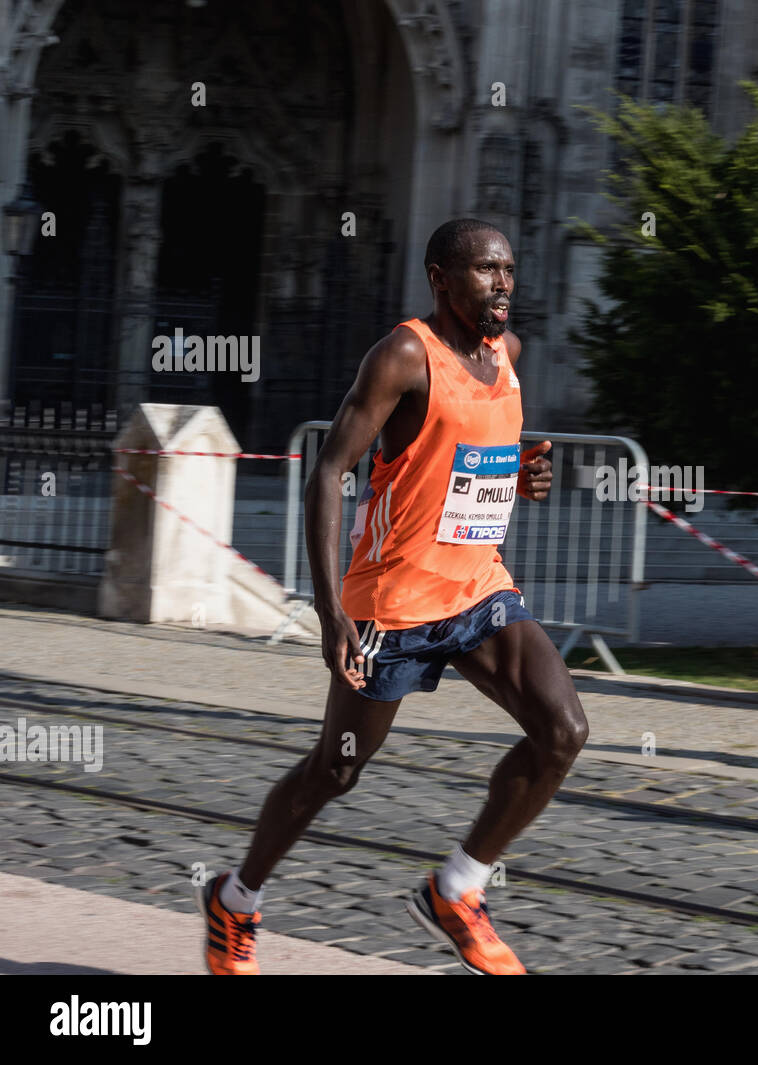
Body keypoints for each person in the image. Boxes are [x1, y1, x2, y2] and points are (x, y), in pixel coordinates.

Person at [196, 219, 590, 975]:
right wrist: (329, 611)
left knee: (562, 728)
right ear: (441, 278)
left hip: (478, 590)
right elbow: (329, 471)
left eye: (509, 268)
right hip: (392, 605)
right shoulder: (405, 354)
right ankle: (236, 899)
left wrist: (520, 476)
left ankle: (459, 888)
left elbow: (469, 462)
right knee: (336, 769)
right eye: (484, 270)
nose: (503, 283)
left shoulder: (509, 354)